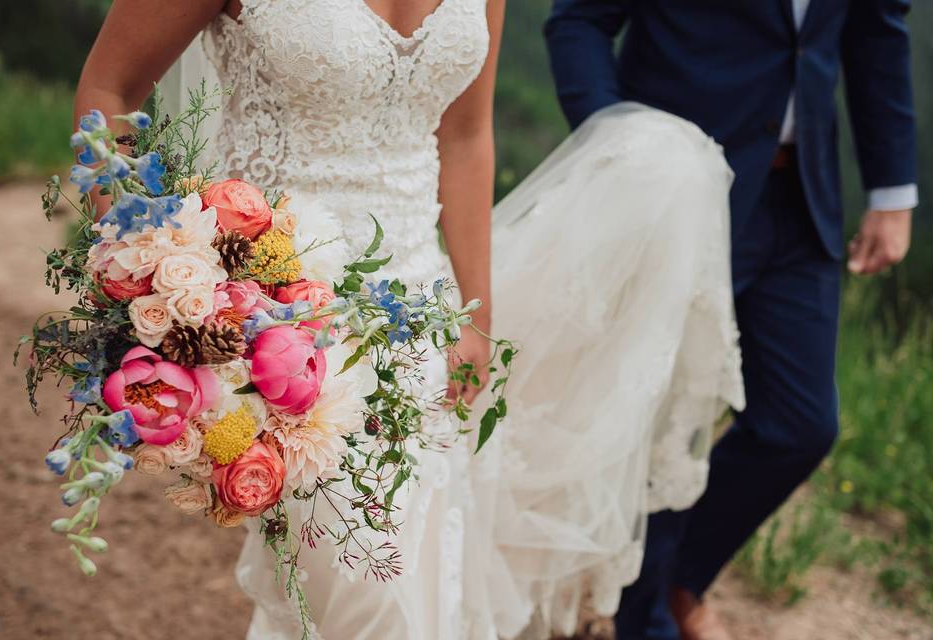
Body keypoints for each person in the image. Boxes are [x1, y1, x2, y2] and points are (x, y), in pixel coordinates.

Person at [74, 1, 743, 637]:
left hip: (424, 320)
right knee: (363, 600)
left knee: (416, 586)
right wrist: (148, 276)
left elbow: (465, 132)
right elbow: (111, 84)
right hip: (277, 327)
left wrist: (475, 314)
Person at [545, 1, 918, 638]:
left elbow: (875, 31)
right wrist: (616, 140)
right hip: (676, 193)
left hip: (802, 198)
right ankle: (648, 618)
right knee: (665, 419)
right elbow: (577, 19)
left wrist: (892, 191)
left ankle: (673, 581)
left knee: (800, 425)